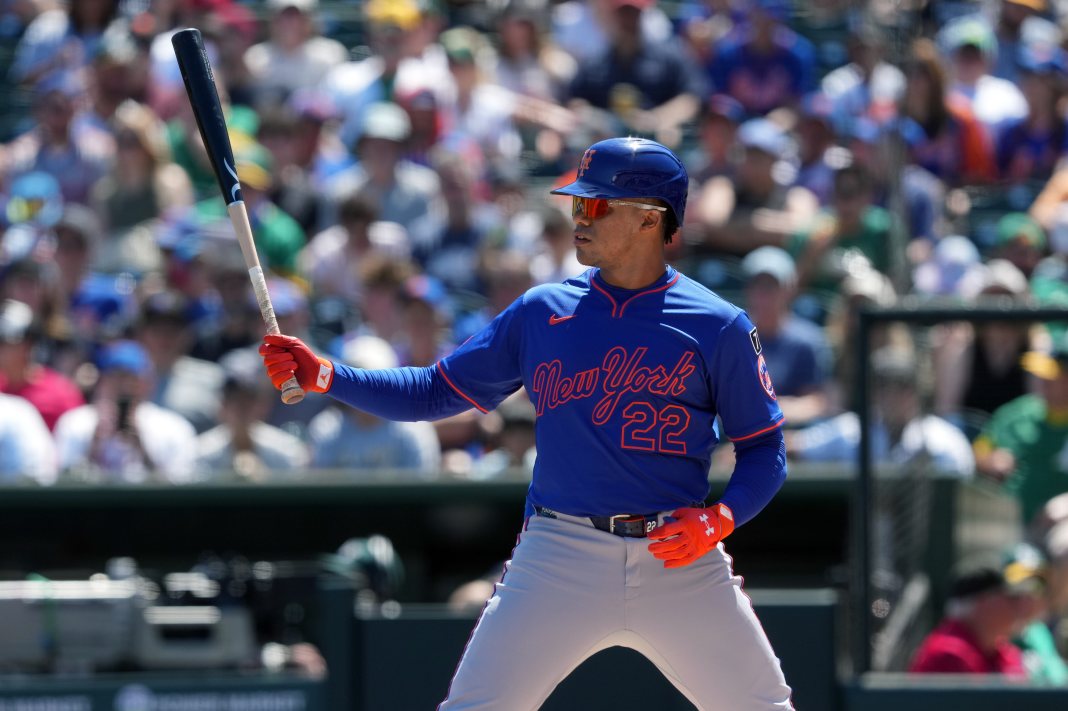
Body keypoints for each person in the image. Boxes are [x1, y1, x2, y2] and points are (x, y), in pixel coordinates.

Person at [260, 137, 793, 708]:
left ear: (649, 219)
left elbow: (765, 449)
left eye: (595, 205)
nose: (578, 217)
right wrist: (327, 376)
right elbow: (434, 391)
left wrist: (720, 519)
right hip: (561, 550)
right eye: (577, 203)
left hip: (677, 554)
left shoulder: (718, 325)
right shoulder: (542, 311)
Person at [909, 549, 1040, 675]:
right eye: (1012, 598)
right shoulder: (949, 655)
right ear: (983, 604)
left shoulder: (999, 650)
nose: (1021, 606)